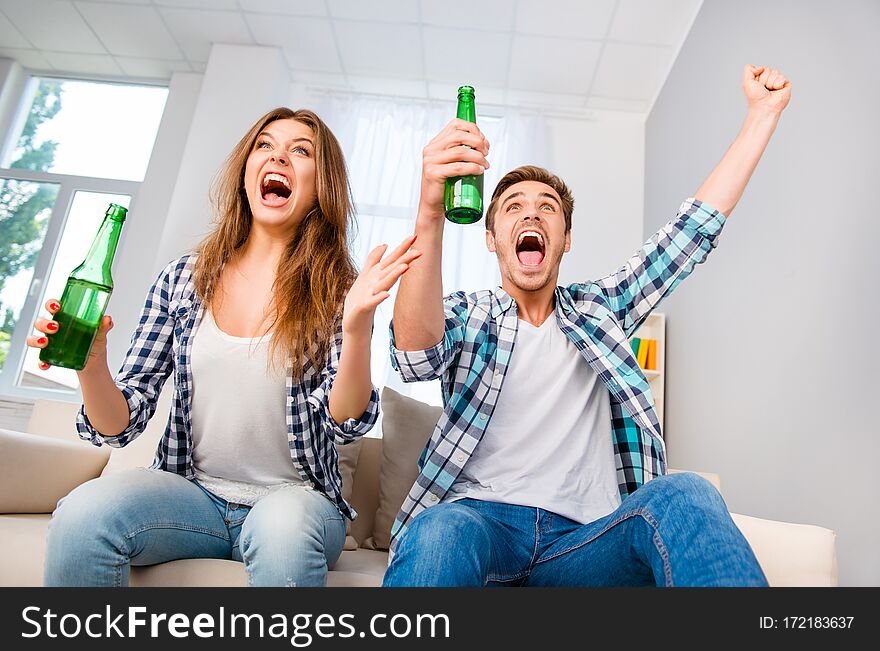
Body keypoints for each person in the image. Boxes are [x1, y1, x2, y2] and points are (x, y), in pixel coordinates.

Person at [383, 65, 791, 587]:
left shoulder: (603, 310)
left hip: (583, 542)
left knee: (686, 492)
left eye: (546, 208)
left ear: (565, 238)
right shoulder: (469, 313)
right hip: (479, 524)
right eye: (512, 208)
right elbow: (414, 356)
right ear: (492, 238)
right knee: (438, 530)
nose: (531, 216)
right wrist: (429, 210)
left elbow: (689, 234)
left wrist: (761, 115)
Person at [28, 107, 419, 587]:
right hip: (193, 497)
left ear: (322, 188)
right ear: (246, 173)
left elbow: (348, 421)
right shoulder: (183, 280)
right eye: (265, 145)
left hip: (296, 499)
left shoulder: (337, 289)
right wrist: (91, 365)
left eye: (301, 150)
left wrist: (358, 326)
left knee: (282, 529)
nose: (279, 156)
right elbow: (117, 428)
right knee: (82, 514)